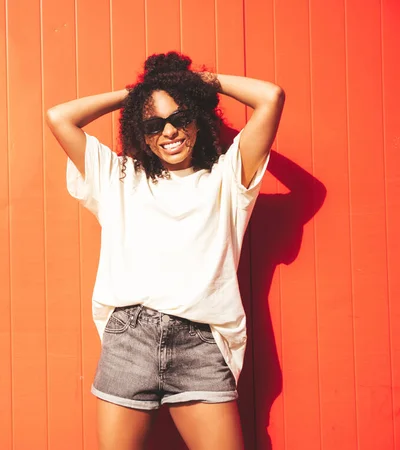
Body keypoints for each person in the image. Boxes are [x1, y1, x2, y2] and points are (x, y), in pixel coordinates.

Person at [45, 52, 284, 450]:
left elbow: (271, 97)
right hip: (129, 340)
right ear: (141, 132)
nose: (169, 132)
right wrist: (138, 94)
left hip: (201, 345)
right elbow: (59, 117)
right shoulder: (119, 178)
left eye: (179, 117)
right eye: (154, 124)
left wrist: (191, 84)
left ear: (197, 119)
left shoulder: (228, 179)